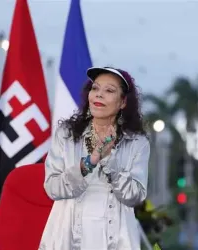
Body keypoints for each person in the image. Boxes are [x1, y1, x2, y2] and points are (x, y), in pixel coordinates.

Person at [39, 67, 150, 250]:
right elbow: (52, 188)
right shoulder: (66, 134)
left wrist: (109, 161)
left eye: (109, 91)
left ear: (123, 102)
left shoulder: (137, 142)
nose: (99, 95)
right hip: (66, 237)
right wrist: (89, 162)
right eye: (95, 88)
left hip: (117, 239)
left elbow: (135, 196)